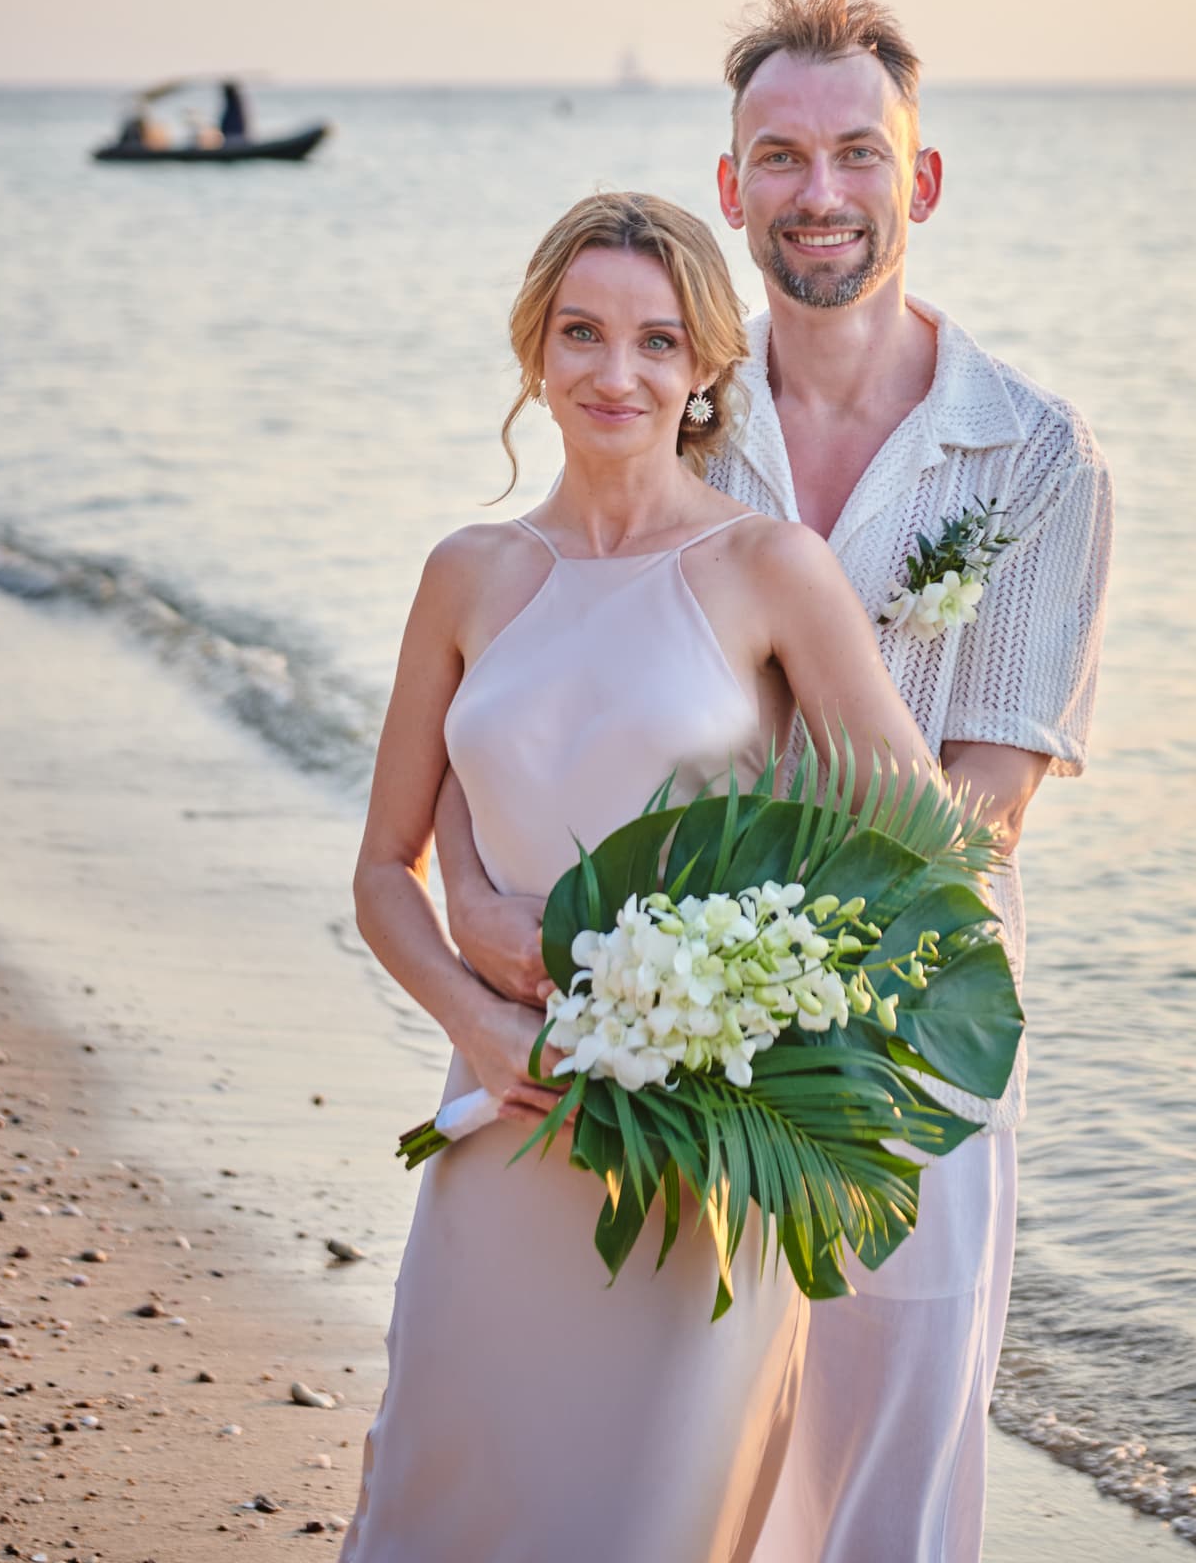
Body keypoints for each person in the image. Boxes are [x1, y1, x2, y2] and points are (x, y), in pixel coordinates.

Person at [439, 0, 1112, 1563]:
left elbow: (984, 807)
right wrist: (473, 898)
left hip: (907, 1033)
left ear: (919, 180)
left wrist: (753, 965)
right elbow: (523, 665)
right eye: (783, 157)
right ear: (730, 186)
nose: (822, 192)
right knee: (648, 1456)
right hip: (634, 1021)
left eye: (859, 152)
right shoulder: (665, 392)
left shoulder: (1036, 456)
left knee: (887, 1468)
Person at [340, 190, 957, 1563]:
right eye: (581, 333)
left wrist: (745, 1000)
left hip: (698, 1159)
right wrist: (478, 1023)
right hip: (502, 1123)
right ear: (534, 350)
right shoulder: (468, 574)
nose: (615, 373)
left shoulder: (770, 569)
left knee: (647, 1523)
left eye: (657, 341)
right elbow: (383, 871)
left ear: (707, 367)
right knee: (453, 1503)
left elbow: (922, 851)